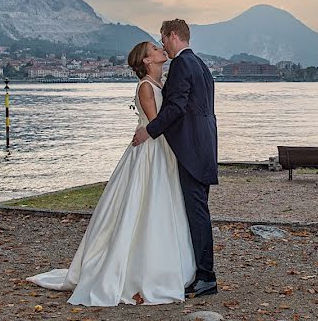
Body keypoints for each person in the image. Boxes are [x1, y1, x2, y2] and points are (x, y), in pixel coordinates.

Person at [26, 41, 195, 306]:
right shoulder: (147, 88)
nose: (161, 49)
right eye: (154, 48)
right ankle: (141, 269)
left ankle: (168, 264)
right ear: (147, 61)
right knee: (147, 204)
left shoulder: (159, 84)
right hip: (151, 152)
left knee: (162, 204)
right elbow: (155, 125)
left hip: (161, 150)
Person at [133, 18, 219, 298]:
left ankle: (206, 276)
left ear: (173, 36)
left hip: (191, 150)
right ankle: (200, 272)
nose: (162, 45)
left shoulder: (182, 64)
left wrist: (150, 130)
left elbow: (178, 107)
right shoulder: (201, 65)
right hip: (204, 146)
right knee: (197, 211)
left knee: (197, 213)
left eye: (163, 38)